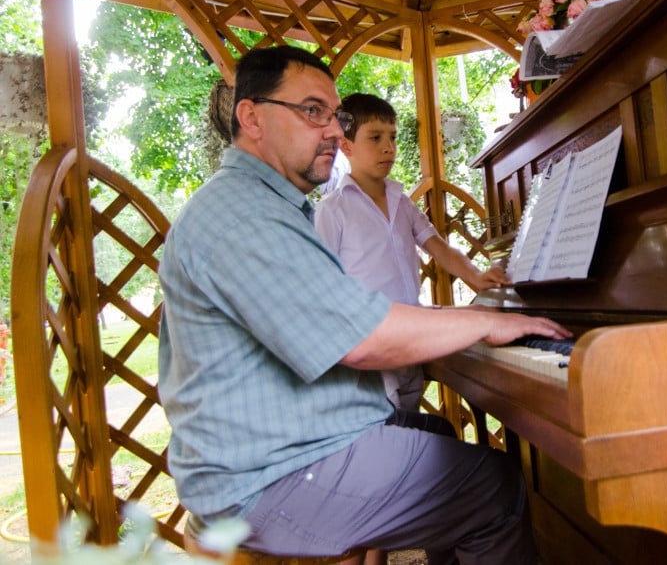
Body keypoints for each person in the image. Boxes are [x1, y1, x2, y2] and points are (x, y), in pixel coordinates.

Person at [157, 45, 570, 564]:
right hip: (272, 476)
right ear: (252, 117)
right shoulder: (246, 215)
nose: (333, 130)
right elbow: (363, 338)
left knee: (440, 436)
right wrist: (484, 321)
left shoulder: (266, 206)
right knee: (496, 487)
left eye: (336, 117)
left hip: (286, 449)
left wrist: (473, 318)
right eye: (313, 112)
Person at [315, 93, 510, 416]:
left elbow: (439, 247)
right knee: (388, 433)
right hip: (370, 352)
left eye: (391, 137)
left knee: (410, 419)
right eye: (375, 138)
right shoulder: (332, 209)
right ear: (346, 147)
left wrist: (478, 277)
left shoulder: (403, 203)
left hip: (411, 344)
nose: (388, 147)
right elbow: (323, 284)